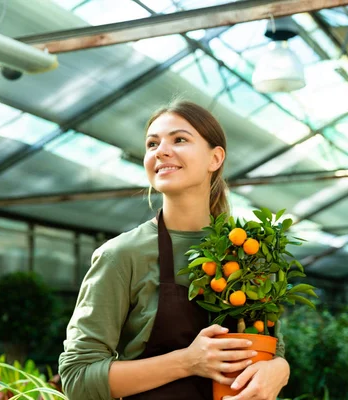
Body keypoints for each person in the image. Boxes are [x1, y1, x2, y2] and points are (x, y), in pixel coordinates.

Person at [58, 100, 290, 400]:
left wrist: (279, 370)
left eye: (179, 139)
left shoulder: (249, 254)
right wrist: (188, 362)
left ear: (215, 158)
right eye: (152, 143)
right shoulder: (122, 255)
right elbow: (78, 378)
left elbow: (273, 349)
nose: (161, 150)